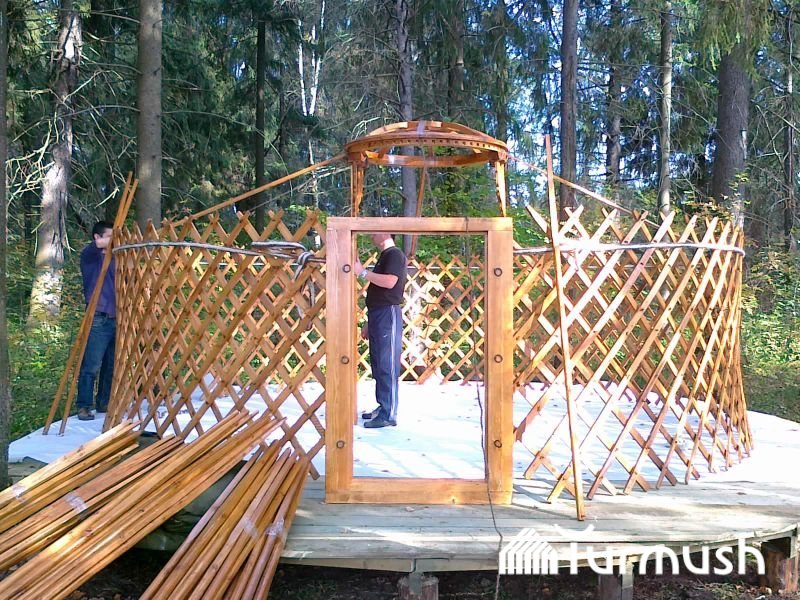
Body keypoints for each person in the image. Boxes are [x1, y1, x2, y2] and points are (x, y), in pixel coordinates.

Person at [354, 233, 407, 429]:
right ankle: (383, 406)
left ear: (384, 233)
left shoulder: (395, 254)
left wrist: (362, 272)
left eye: (375, 232)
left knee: (387, 363)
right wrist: (369, 323)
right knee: (377, 363)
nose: (371, 236)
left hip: (387, 314)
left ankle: (388, 413)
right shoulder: (385, 255)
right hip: (377, 314)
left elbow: (390, 282)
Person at [76, 221, 116, 421]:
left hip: (117, 317)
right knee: (91, 365)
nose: (115, 239)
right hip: (98, 317)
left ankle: (103, 402)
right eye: (110, 236)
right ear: (97, 237)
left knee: (111, 365)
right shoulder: (90, 256)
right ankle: (84, 405)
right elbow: (99, 246)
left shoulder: (117, 258)